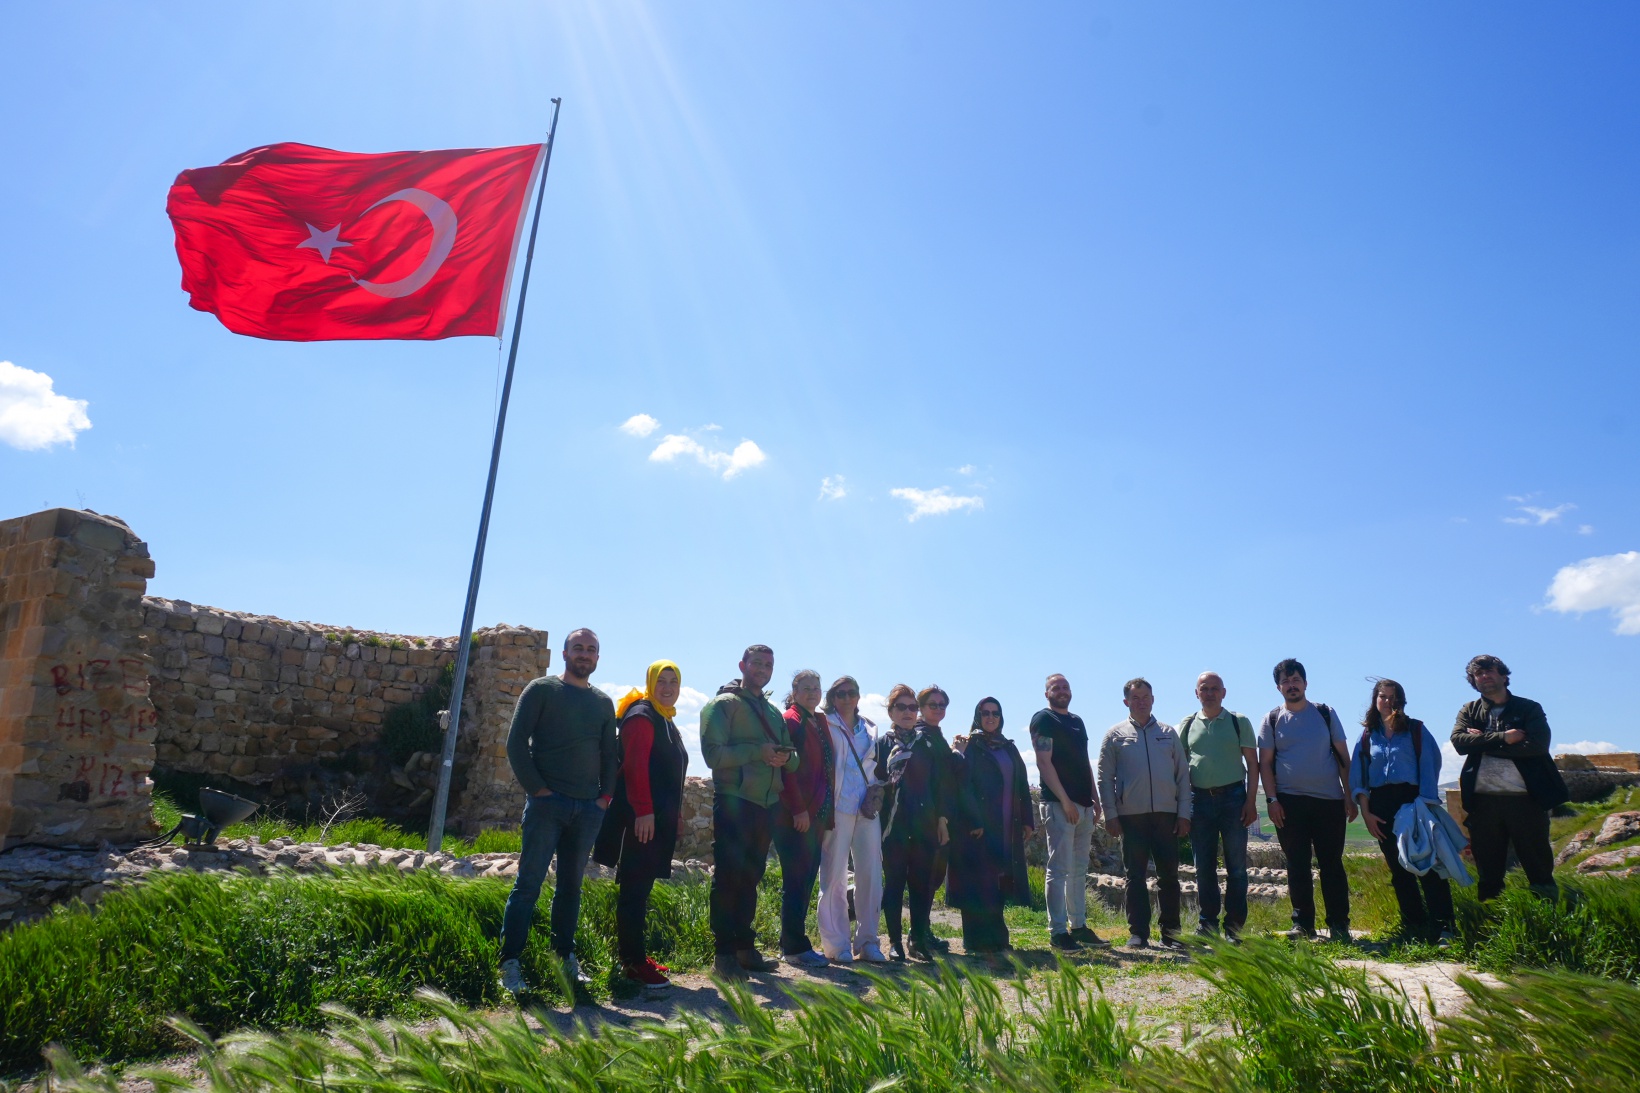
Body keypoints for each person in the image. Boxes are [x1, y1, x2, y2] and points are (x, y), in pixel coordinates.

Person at [498, 628, 618, 995]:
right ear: (564, 654)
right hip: (548, 807)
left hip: (588, 808)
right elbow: (515, 743)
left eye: (591, 650)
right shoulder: (542, 690)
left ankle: (565, 958)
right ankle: (510, 964)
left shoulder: (602, 703)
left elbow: (609, 755)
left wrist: (605, 798)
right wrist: (539, 791)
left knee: (571, 888)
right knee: (528, 885)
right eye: (578, 648)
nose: (585, 654)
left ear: (598, 658)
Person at [700, 644, 800, 979]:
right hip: (734, 800)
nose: (763, 669)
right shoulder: (722, 705)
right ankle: (723, 954)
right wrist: (759, 751)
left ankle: (744, 949)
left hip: (766, 804)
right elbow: (713, 756)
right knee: (729, 877)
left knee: (751, 877)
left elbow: (794, 758)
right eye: (757, 663)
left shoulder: (772, 712)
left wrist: (785, 757)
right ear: (742, 665)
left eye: (768, 665)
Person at [592, 660, 689, 994]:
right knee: (633, 890)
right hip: (639, 820)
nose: (668, 687)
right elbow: (635, 768)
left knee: (641, 888)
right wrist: (644, 812)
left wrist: (675, 815)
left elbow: (669, 774)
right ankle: (632, 964)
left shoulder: (664, 718)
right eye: (662, 681)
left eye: (673, 681)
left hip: (655, 820)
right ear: (651, 682)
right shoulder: (642, 716)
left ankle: (635, 956)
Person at [1451, 655, 1569, 901]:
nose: (1485, 676)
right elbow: (1460, 742)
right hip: (1483, 802)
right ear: (1473, 680)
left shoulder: (1529, 708)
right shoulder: (1469, 710)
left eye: (1490, 671)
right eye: (1478, 674)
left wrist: (1481, 742)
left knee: (1538, 867)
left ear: (1504, 676)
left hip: (1525, 800)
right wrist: (1505, 737)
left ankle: (1548, 915)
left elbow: (1537, 746)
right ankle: (1492, 918)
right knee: (1488, 872)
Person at [1259, 658, 1357, 943]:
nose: (1291, 685)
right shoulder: (1272, 719)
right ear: (1278, 687)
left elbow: (1343, 757)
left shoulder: (1325, 713)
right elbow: (1265, 764)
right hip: (1289, 803)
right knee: (1297, 864)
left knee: (1332, 864)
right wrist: (1272, 800)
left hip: (1329, 800)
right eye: (1285, 681)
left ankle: (1339, 924)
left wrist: (1349, 795)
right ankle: (1302, 924)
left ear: (1305, 683)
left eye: (1296, 680)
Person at [1348, 679, 1454, 943]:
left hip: (1413, 802)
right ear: (1375, 700)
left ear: (1401, 701)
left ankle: (1445, 927)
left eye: (1393, 697)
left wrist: (1424, 806)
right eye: (1382, 696)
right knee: (1399, 869)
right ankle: (1413, 927)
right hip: (1380, 806)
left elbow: (1430, 764)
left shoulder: (1415, 730)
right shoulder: (1367, 736)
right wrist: (1366, 813)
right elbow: (1358, 778)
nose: (1387, 702)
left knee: (1427, 865)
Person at [1098, 678, 1191, 949]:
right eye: (1135, 698)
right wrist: (1111, 815)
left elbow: (1183, 775)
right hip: (1131, 817)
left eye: (1146, 697)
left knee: (1169, 877)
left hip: (1166, 815)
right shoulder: (1114, 735)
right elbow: (1105, 778)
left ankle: (1171, 933)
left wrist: (1184, 813)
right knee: (1135, 877)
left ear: (1153, 699)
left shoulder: (1168, 733)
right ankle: (1138, 933)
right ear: (1126, 701)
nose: (1141, 702)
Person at [949, 697, 1034, 957]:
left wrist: (1027, 820)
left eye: (995, 713)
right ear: (978, 716)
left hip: (1006, 826)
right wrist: (973, 820)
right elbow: (962, 785)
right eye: (985, 713)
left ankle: (998, 936)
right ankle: (975, 939)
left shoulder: (1008, 747)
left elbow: (1022, 785)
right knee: (977, 882)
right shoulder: (970, 745)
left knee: (999, 881)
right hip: (980, 826)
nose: (990, 717)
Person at [1177, 672, 1259, 938]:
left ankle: (1234, 928)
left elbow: (1253, 764)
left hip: (1233, 799)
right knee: (1204, 868)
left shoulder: (1238, 721)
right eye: (1205, 688)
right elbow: (1179, 767)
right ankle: (1207, 925)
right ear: (1196, 693)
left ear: (1224, 693)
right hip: (1199, 801)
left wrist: (1250, 801)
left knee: (1237, 868)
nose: (1210, 693)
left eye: (1215, 688)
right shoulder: (1187, 725)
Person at [874, 682, 950, 961]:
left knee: (921, 884)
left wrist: (942, 821)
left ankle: (918, 940)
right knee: (894, 883)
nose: (907, 712)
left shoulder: (925, 744)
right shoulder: (881, 745)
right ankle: (895, 942)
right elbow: (875, 783)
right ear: (891, 711)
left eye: (912, 707)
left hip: (924, 823)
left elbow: (939, 785)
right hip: (892, 826)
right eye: (901, 707)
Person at [1032, 674, 1107, 951]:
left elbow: (1083, 761)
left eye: (1065, 687)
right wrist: (1065, 801)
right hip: (1058, 804)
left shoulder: (1077, 721)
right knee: (1059, 869)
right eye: (1056, 687)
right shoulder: (1044, 719)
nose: (1062, 691)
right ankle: (1058, 931)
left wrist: (1094, 797)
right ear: (1047, 693)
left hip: (1084, 805)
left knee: (1078, 870)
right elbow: (1043, 762)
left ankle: (1079, 926)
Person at [819, 675, 887, 963]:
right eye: (841, 693)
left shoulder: (869, 728)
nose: (847, 698)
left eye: (851, 693)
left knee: (870, 874)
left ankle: (868, 941)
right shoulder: (825, 723)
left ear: (858, 696)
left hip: (866, 808)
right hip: (838, 806)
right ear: (833, 697)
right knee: (834, 875)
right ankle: (837, 944)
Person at [773, 669, 834, 970]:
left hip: (815, 816)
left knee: (806, 879)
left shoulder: (817, 721)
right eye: (806, 688)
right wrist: (798, 809)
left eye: (816, 688)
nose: (812, 693)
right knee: (796, 881)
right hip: (796, 816)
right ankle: (795, 948)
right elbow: (786, 771)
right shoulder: (791, 721)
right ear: (795, 692)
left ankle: (791, 943)